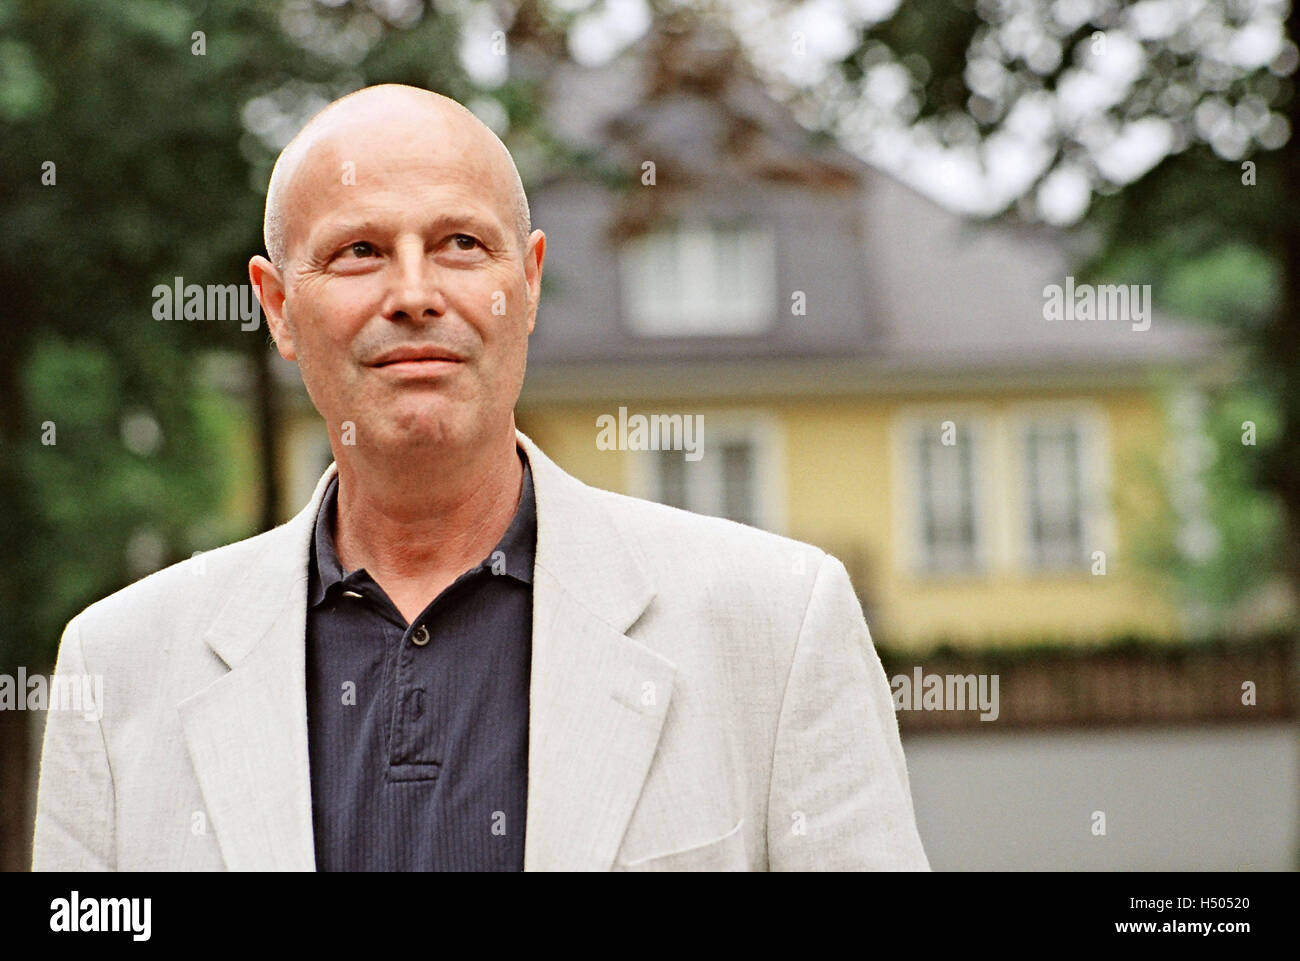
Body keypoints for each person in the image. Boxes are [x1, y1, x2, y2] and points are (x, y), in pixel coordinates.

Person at [31, 84, 929, 871]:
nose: (415, 291)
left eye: (461, 242)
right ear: (277, 307)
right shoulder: (115, 675)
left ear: (529, 283)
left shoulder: (774, 627)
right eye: (358, 251)